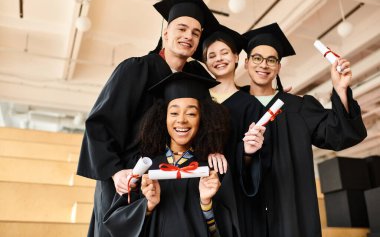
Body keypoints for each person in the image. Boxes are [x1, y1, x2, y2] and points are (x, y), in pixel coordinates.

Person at [76, 0, 222, 237]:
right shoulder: (135, 69)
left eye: (195, 33)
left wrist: (214, 149)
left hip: (174, 182)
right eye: (182, 29)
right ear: (166, 33)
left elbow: (206, 125)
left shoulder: (196, 78)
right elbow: (101, 124)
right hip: (128, 179)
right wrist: (114, 171)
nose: (188, 36)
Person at [241, 22, 367, 237]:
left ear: (279, 67)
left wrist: (340, 88)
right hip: (248, 214)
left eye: (272, 60)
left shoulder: (298, 107)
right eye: (257, 58)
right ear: (246, 63)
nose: (264, 64)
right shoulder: (233, 108)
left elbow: (338, 134)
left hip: (292, 214)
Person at [103, 72, 257, 236]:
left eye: (191, 113)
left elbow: (227, 232)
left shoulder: (212, 171)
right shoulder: (144, 167)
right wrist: (147, 206)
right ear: (163, 118)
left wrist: (206, 203)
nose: (182, 120)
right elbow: (116, 226)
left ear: (203, 119)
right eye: (174, 113)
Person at [201, 24, 268, 236]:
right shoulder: (198, 100)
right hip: (199, 184)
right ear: (205, 62)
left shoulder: (251, 104)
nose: (218, 59)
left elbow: (256, 163)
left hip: (235, 191)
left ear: (237, 57)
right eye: (212, 55)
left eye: (224, 53)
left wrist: (248, 151)